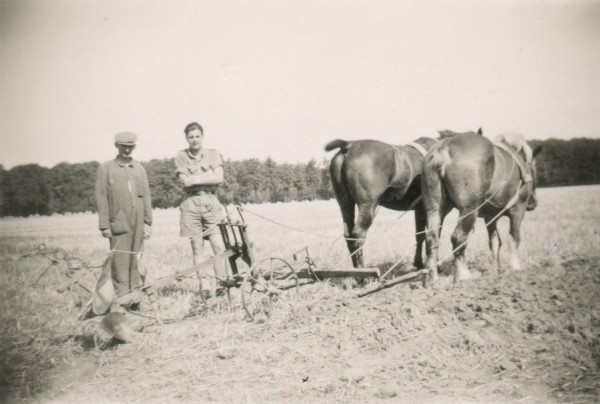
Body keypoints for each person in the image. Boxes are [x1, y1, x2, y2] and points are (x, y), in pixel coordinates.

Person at [95, 131, 152, 309]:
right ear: (117, 146)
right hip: (118, 222)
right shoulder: (106, 168)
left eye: (130, 147)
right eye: (123, 146)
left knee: (136, 259)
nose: (127, 150)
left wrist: (148, 222)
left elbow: (147, 197)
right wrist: (104, 224)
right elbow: (101, 197)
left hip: (139, 222)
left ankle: (136, 298)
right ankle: (121, 300)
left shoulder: (139, 169)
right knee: (120, 262)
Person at [175, 122, 227, 299]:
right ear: (186, 138)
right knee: (197, 248)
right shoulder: (181, 156)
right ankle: (204, 288)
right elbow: (183, 181)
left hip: (211, 202)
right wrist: (207, 177)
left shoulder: (213, 154)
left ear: (202, 137)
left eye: (197, 136)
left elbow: (218, 177)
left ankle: (222, 283)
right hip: (190, 204)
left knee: (218, 246)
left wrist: (195, 179)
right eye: (191, 137)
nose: (194, 140)